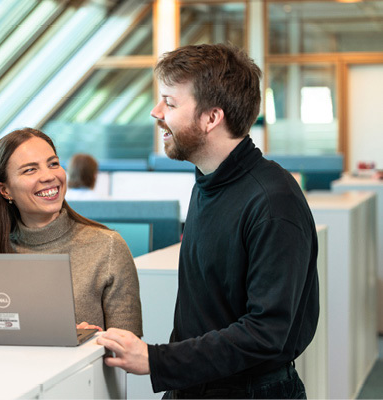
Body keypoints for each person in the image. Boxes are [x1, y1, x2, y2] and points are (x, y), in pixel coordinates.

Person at [97, 44, 319, 399]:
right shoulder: (208, 179)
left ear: (211, 118)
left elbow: (265, 332)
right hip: (196, 386)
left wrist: (158, 360)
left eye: (169, 103)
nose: (157, 113)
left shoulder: (273, 201)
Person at [0, 127, 142, 336]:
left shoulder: (107, 246)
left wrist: (90, 341)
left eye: (53, 164)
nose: (48, 176)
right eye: (30, 169)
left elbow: (128, 351)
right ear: (5, 190)